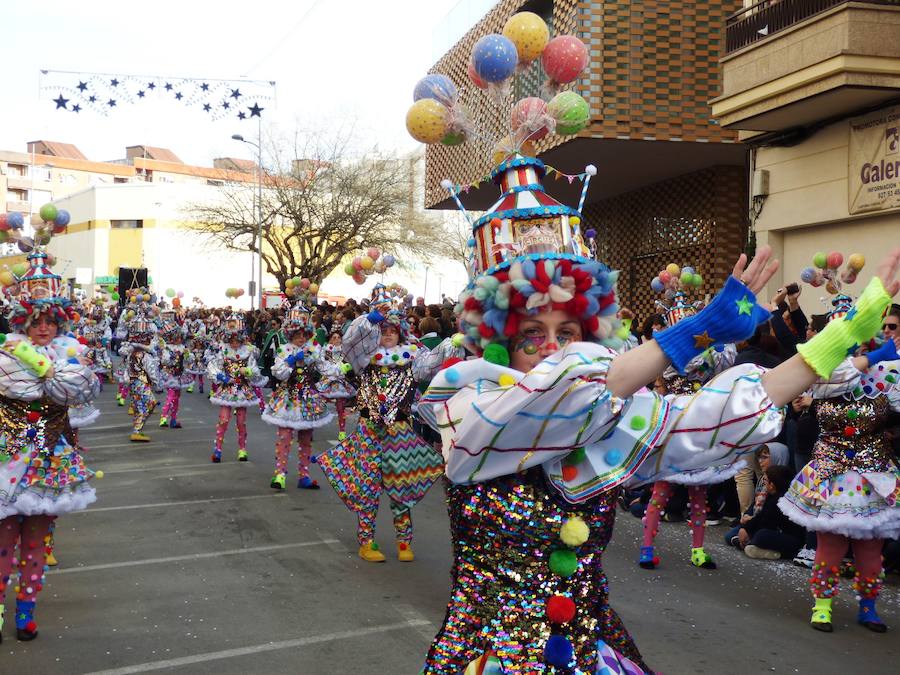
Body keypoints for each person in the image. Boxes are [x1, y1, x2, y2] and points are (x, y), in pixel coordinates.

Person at [415, 146, 900, 672]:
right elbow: (559, 395)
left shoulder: (608, 415)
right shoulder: (468, 402)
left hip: (585, 648)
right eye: (533, 334)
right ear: (499, 342)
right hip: (486, 654)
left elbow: (712, 419)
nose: (553, 349)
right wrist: (695, 331)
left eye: (568, 333)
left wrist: (837, 339)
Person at [779, 287, 900, 633]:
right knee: (830, 545)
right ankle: (822, 605)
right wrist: (870, 358)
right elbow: (830, 379)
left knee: (870, 549)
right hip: (831, 472)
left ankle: (869, 606)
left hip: (874, 473)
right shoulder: (826, 372)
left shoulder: (886, 373)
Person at [0, 249, 101, 641]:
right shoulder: (7, 352)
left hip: (49, 454)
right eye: (36, 321)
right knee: (4, 540)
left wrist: (47, 370)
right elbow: (20, 387)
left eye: (50, 321)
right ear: (24, 323)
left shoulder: (73, 353)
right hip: (10, 454)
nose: (43, 328)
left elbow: (79, 390)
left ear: (60, 322)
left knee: (36, 540)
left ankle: (26, 611)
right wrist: (45, 374)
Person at [317, 287, 457, 563]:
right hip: (369, 429)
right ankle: (366, 542)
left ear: (401, 332)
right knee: (367, 487)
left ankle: (404, 542)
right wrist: (370, 319)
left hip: (400, 431)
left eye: (393, 330)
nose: (389, 334)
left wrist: (455, 341)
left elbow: (432, 364)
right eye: (384, 330)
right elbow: (350, 341)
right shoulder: (364, 358)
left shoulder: (411, 356)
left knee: (401, 486)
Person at [262, 304, 334, 489]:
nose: (301, 338)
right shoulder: (284, 350)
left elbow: (325, 368)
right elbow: (278, 373)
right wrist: (291, 361)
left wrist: (342, 369)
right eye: (297, 335)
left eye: (304, 334)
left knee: (306, 437)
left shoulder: (314, 349)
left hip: (308, 397)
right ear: (291, 334)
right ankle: (280, 474)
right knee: (284, 435)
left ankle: (304, 476)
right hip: (288, 396)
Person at [207, 314, 265, 463]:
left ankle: (242, 449)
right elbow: (213, 366)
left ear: (241, 339)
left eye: (237, 340)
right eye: (231, 340)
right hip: (227, 389)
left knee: (241, 422)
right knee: (224, 420)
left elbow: (255, 370)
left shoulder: (247, 352)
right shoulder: (223, 351)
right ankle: (217, 449)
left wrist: (249, 371)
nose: (234, 343)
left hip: (242, 390)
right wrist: (220, 376)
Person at [726, 464, 805, 560]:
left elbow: (766, 522)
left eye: (766, 481)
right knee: (731, 534)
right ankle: (748, 544)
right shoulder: (771, 495)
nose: (764, 483)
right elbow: (761, 516)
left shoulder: (781, 500)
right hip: (770, 529)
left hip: (791, 539)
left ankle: (777, 553)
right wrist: (747, 524)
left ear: (772, 485)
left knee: (761, 535)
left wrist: (747, 528)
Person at [118, 311, 160, 442]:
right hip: (141, 383)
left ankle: (136, 431)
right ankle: (137, 429)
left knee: (139, 408)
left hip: (132, 384)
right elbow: (152, 372)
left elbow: (126, 370)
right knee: (151, 404)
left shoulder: (130, 355)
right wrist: (157, 385)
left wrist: (126, 380)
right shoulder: (145, 356)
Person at [317, 325, 356, 440]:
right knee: (316, 404)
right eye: (334, 337)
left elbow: (351, 364)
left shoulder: (345, 352)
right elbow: (322, 367)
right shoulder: (325, 351)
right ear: (329, 339)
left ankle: (342, 431)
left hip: (340, 382)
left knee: (341, 407)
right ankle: (310, 427)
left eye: (339, 337)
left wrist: (347, 368)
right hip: (327, 381)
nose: (337, 340)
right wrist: (336, 371)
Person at [158, 321, 193, 429]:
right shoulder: (167, 348)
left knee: (177, 398)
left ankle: (173, 419)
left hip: (179, 375)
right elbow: (164, 361)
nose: (179, 339)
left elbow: (189, 361)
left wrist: (187, 355)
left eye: (179, 337)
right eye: (176, 337)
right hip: (170, 375)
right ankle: (163, 418)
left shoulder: (183, 347)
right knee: (171, 396)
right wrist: (172, 358)